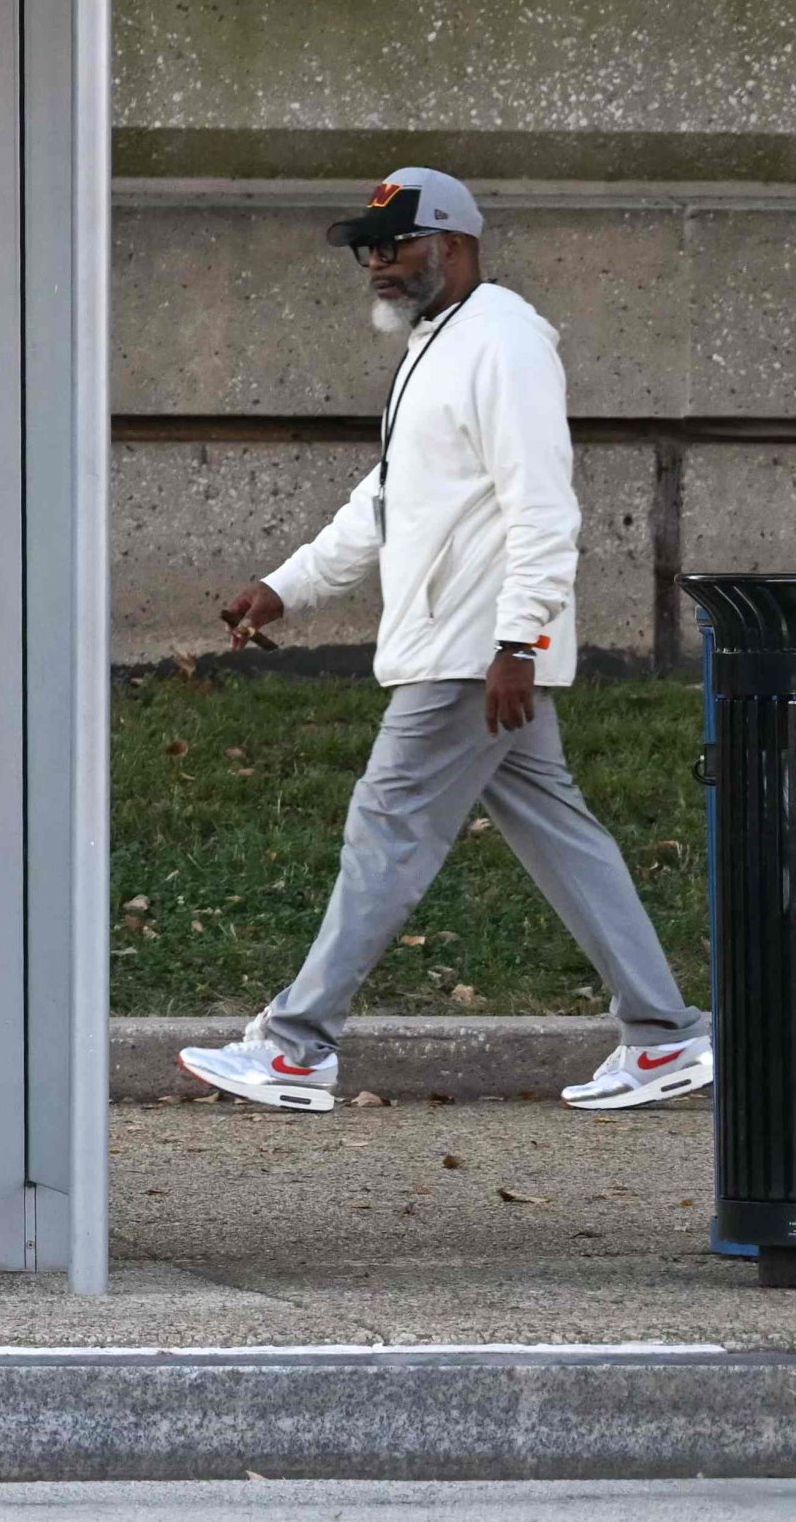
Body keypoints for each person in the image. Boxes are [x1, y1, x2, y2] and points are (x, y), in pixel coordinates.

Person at [179, 167, 713, 1116]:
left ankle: (298, 1047)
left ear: (455, 246)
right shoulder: (441, 345)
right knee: (564, 836)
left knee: (384, 830)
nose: (379, 265)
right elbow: (384, 505)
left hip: (471, 652)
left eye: (396, 246)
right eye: (370, 251)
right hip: (467, 646)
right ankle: (663, 1036)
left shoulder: (502, 343)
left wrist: (521, 641)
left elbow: (545, 507)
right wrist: (286, 589)